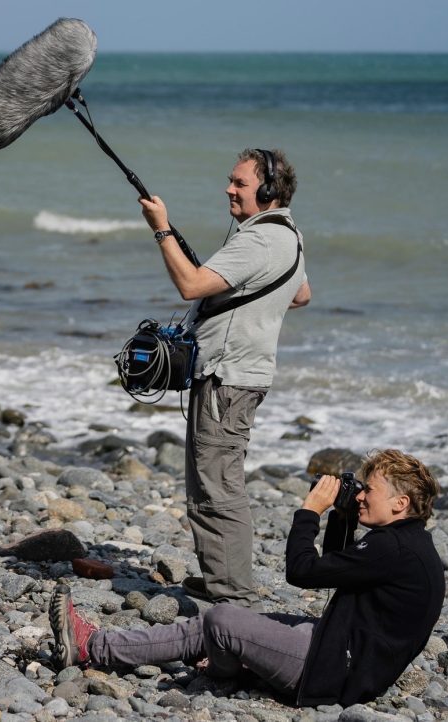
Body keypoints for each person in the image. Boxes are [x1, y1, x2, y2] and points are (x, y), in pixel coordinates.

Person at [51, 449, 444, 707]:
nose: (360, 496)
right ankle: (95, 646)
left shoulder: (390, 549)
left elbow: (303, 572)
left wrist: (309, 511)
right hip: (342, 653)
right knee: (225, 620)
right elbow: (337, 568)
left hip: (329, 672)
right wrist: (340, 515)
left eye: (368, 491)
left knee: (222, 619)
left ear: (400, 503)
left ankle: (98, 650)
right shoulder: (406, 545)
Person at [139, 149, 312, 605]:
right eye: (230, 181)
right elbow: (302, 294)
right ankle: (221, 581)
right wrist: (253, 300)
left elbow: (191, 286)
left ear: (269, 191)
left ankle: (234, 598)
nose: (228, 189)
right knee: (211, 480)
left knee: (217, 486)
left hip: (227, 375)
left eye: (239, 183)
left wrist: (161, 226)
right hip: (242, 373)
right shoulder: (287, 234)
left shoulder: (257, 241)